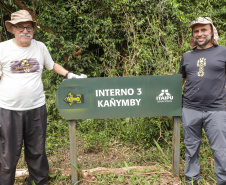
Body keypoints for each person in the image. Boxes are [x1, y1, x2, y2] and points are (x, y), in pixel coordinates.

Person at [0, 10, 86, 185]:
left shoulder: (40, 47)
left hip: (36, 109)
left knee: (37, 151)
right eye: (21, 27)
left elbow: (52, 64)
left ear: (33, 29)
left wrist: (69, 75)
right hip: (8, 110)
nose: (25, 31)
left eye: (29, 27)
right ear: (13, 29)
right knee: (7, 155)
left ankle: (38, 181)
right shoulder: (2, 49)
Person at [178, 17, 226, 185]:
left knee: (221, 151)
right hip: (190, 109)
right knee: (191, 149)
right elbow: (179, 82)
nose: (199, 34)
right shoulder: (186, 56)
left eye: (203, 30)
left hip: (217, 110)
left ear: (212, 31)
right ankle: (192, 180)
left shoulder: (223, 52)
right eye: (196, 31)